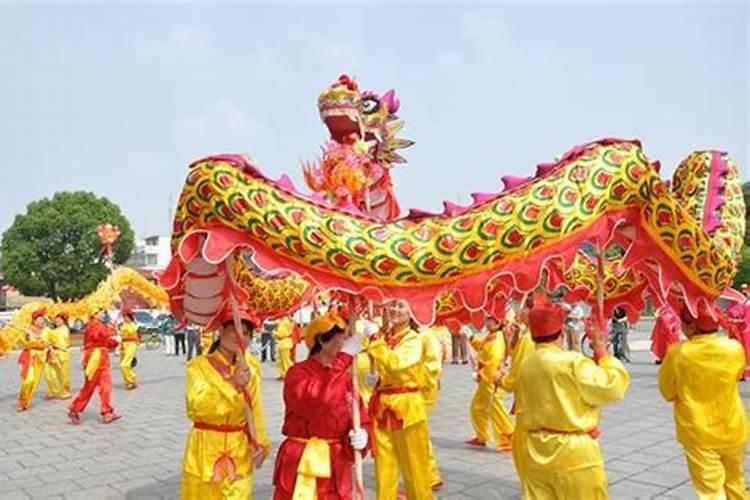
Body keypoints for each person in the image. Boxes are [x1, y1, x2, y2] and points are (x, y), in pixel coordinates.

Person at [514, 293, 630, 499]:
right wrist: (603, 353)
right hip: (574, 453)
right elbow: (612, 387)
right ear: (561, 332)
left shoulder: (526, 365)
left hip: (536, 450)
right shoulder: (572, 362)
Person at [272, 310, 370, 499]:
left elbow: (359, 412)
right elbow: (320, 401)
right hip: (302, 458)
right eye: (340, 339)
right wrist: (344, 359)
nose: (344, 345)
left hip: (336, 460)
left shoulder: (347, 377)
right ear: (322, 341)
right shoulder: (298, 373)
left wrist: (364, 433)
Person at [658, 302, 748, 499]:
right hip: (734, 427)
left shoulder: (679, 353)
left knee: (710, 490)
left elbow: (667, 392)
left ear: (690, 326)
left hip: (699, 431)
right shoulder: (734, 348)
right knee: (735, 483)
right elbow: (737, 374)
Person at [181, 308, 271, 500]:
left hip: (238, 446)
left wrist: (260, 442)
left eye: (246, 333)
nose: (240, 337)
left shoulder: (251, 367)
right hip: (205, 445)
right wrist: (232, 384)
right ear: (220, 331)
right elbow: (196, 406)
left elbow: (255, 408)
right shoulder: (199, 366)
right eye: (234, 330)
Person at [366, 299, 433, 500]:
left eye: (401, 305)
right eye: (393, 304)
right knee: (384, 465)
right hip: (383, 405)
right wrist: (376, 379)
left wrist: (375, 340)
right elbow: (385, 366)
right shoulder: (386, 337)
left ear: (412, 311)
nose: (395, 309)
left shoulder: (413, 339)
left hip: (407, 407)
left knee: (415, 467)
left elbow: (397, 363)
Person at [465, 313, 514, 452]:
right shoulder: (491, 336)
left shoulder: (497, 340)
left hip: (491, 380)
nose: (486, 323)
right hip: (485, 381)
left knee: (496, 410)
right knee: (477, 407)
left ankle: (509, 437)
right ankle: (482, 436)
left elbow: (493, 362)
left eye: (490, 321)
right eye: (487, 319)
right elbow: (481, 347)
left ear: (498, 323)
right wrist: (471, 337)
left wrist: (479, 373)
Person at [68, 311, 122, 424]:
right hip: (94, 358)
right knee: (89, 387)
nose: (103, 314)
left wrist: (115, 341)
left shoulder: (101, 325)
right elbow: (99, 335)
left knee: (106, 387)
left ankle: (107, 412)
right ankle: (74, 409)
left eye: (103, 311)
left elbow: (106, 342)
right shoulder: (93, 325)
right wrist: (112, 332)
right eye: (99, 312)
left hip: (101, 358)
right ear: (93, 314)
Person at [421, 322, 446, 490]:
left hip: (422, 390)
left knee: (418, 432)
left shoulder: (427, 336)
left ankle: (430, 475)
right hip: (414, 390)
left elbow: (433, 367)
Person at [17, 308, 52, 411]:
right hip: (30, 358)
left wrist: (48, 347)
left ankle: (25, 403)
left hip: (40, 359)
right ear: (34, 320)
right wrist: (35, 342)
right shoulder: (28, 331)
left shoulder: (46, 331)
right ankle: (22, 399)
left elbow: (50, 343)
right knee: (29, 380)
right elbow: (25, 345)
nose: (42, 321)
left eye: (43, 320)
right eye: (40, 319)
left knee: (35, 383)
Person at [44, 312, 72, 400]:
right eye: (56, 319)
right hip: (52, 353)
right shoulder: (54, 330)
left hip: (62, 354)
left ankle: (65, 391)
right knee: (49, 374)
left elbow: (56, 338)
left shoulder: (64, 329)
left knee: (63, 374)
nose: (57, 321)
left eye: (59, 319)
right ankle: (52, 391)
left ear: (64, 321)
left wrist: (46, 330)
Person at [118, 309, 139, 390]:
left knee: (124, 364)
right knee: (124, 365)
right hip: (123, 346)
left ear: (130, 317)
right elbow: (120, 335)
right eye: (124, 317)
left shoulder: (133, 325)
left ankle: (132, 379)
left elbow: (132, 331)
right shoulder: (123, 325)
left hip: (131, 345)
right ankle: (128, 382)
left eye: (126, 317)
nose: (125, 318)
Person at [273, 316, 295, 380]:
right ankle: (283, 374)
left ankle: (288, 374)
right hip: (284, 343)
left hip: (284, 343)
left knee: (285, 361)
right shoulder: (285, 320)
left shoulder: (284, 321)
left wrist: (273, 332)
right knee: (281, 361)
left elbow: (281, 334)